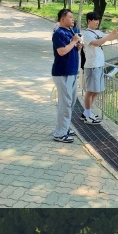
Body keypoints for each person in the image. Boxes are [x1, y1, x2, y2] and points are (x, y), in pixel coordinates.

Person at [79, 12, 118, 124]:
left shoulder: (97, 32)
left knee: (97, 91)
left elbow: (110, 38)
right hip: (92, 66)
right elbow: (97, 43)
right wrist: (109, 35)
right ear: (89, 21)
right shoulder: (87, 34)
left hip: (99, 65)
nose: (97, 22)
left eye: (98, 20)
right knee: (90, 91)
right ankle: (88, 115)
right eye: (95, 20)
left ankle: (86, 113)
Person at [50, 8, 82, 143]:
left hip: (72, 71)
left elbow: (70, 48)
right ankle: (59, 133)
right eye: (70, 17)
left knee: (71, 102)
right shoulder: (58, 33)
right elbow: (62, 51)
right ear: (62, 19)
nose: (72, 19)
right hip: (62, 72)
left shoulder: (71, 31)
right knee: (65, 103)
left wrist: (77, 45)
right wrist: (74, 42)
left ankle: (65, 127)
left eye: (73, 17)